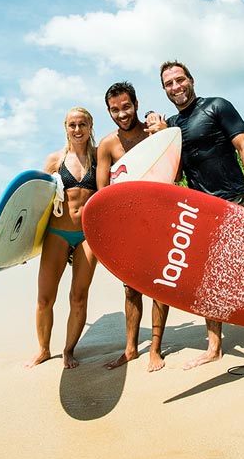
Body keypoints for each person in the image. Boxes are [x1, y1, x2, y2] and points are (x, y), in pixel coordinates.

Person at [146, 60, 244, 384]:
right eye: (168, 84)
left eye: (179, 80)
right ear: (164, 90)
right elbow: (173, 176)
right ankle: (214, 347)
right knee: (208, 282)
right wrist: (163, 140)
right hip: (202, 212)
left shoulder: (217, 107)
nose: (175, 87)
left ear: (191, 80)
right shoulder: (172, 126)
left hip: (237, 204)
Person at [96, 81, 170, 372]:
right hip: (127, 227)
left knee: (159, 288)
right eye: (115, 110)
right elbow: (102, 192)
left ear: (136, 105)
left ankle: (155, 349)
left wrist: (159, 127)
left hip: (159, 220)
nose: (122, 114)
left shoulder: (154, 133)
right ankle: (130, 349)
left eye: (126, 107)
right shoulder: (107, 145)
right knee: (131, 290)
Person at [25, 107, 98, 369]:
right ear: (65, 127)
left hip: (87, 236)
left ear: (90, 126)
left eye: (82, 124)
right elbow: (37, 204)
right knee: (45, 298)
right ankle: (44, 349)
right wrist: (22, 245)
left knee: (78, 297)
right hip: (57, 232)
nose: (77, 130)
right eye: (72, 125)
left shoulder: (100, 158)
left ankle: (69, 350)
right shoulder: (55, 159)